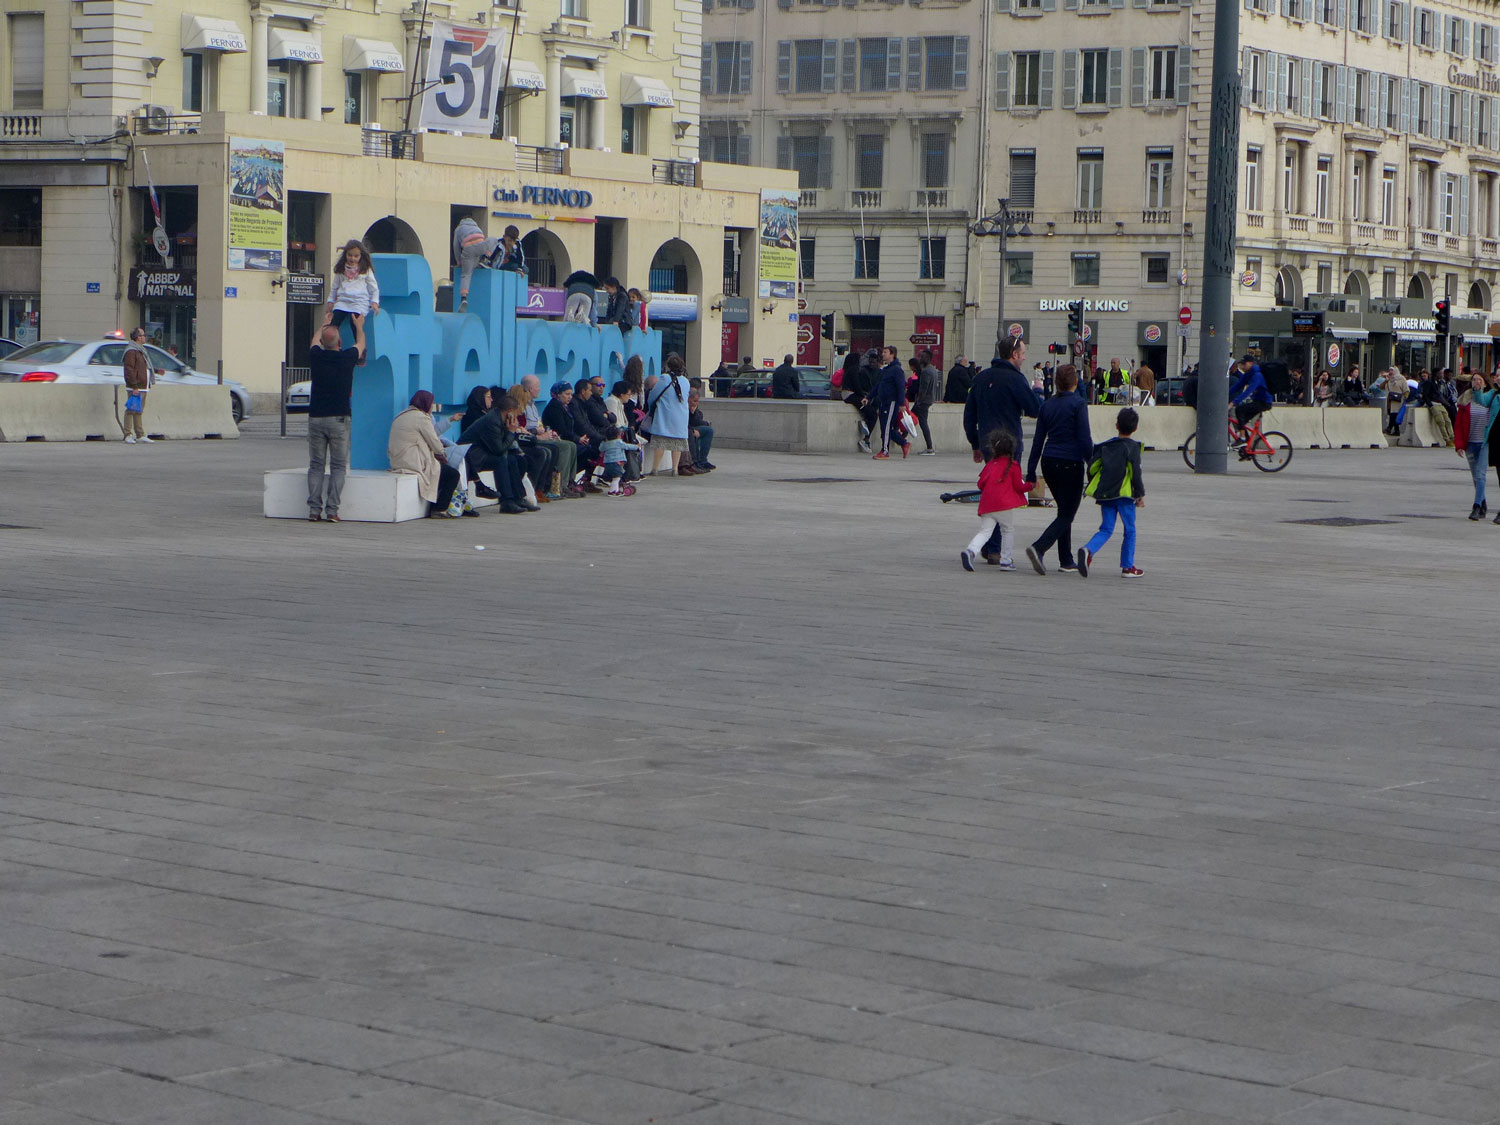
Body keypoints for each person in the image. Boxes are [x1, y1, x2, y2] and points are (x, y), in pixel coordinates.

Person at [1023, 364, 1092, 576]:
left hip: (1049, 461)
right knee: (1068, 513)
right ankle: (1039, 547)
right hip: (1071, 462)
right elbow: (1084, 438)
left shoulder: (1047, 405)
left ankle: (1066, 559)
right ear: (1075, 383)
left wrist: (1032, 469)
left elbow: (1037, 440)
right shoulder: (1079, 404)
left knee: (1063, 509)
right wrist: (1093, 465)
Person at [306, 314, 364, 522]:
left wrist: (322, 325)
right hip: (339, 418)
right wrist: (358, 326)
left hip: (316, 418)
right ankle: (332, 510)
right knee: (338, 466)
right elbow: (361, 343)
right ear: (340, 342)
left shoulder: (316, 356)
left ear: (322, 343)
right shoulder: (347, 357)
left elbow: (314, 342)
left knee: (316, 465)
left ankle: (314, 510)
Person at [1077, 407, 1146, 579]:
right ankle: (1127, 567)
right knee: (1130, 530)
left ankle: (1088, 549)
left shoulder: (1106, 446)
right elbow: (1135, 473)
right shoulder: (1133, 448)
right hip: (1124, 496)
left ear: (1116, 425)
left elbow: (1092, 467)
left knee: (1106, 529)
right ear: (1135, 428)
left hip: (1106, 494)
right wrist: (1139, 495)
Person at [960, 429, 1034, 572]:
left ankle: (970, 551)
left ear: (994, 449)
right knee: (1007, 530)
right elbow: (1019, 487)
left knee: (985, 532)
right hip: (1004, 505)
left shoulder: (990, 465)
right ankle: (1006, 560)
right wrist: (1030, 486)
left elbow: (980, 484)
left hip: (987, 504)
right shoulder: (1013, 466)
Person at [390, 390, 468, 518]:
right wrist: (442, 454)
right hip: (414, 462)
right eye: (431, 404)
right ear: (426, 403)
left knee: (441, 471)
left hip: (398, 461)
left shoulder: (401, 415)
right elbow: (435, 442)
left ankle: (435, 505)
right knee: (452, 474)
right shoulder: (421, 418)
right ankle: (439, 508)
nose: (432, 407)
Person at [541, 380, 597, 494]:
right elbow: (562, 429)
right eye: (567, 394)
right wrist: (578, 439)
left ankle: (571, 480)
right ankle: (563, 483)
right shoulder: (554, 407)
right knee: (575, 448)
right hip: (557, 438)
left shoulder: (565, 406)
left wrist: (580, 437)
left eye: (571, 394)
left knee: (591, 450)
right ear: (558, 394)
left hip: (568, 437)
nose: (569, 397)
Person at [1456, 373, 1499, 519]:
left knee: (1480, 475)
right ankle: (1482, 503)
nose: (1476, 382)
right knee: (1476, 477)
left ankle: (1477, 506)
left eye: (1479, 380)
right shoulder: (1468, 399)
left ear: (1485, 382)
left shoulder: (1493, 397)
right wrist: (1459, 444)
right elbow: (1460, 424)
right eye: (1474, 380)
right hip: (1471, 442)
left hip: (1485, 442)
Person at [644, 356, 692, 476]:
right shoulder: (686, 381)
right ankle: (674, 469)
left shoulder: (664, 378)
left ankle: (655, 469)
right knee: (677, 443)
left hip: (665, 415)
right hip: (681, 416)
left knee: (661, 441)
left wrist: (650, 407)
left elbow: (654, 395)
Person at [322, 240, 380, 332]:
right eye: (350, 255)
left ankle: (359, 345)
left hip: (359, 303)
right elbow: (335, 287)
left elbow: (374, 288)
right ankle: (333, 344)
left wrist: (374, 302)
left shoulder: (365, 270)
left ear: (361, 256)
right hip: (343, 302)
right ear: (345, 254)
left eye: (356, 256)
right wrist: (330, 301)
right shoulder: (341, 269)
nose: (352, 258)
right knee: (333, 324)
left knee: (354, 324)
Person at [872, 345, 911, 459]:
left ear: (892, 354)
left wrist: (901, 404)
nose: (883, 354)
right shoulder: (886, 369)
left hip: (891, 402)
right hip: (884, 401)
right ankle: (904, 443)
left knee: (887, 426)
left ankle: (885, 451)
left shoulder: (897, 370)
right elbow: (878, 385)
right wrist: (869, 397)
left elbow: (900, 387)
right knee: (885, 427)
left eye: (885, 352)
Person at [1229, 354, 1273, 452]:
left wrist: (1233, 403)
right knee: (1242, 420)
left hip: (1264, 402)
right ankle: (1247, 447)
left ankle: (1243, 439)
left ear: (1251, 363)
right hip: (1257, 400)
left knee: (1240, 410)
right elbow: (1238, 386)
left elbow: (1248, 391)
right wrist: (1224, 395)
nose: (1242, 367)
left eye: (1244, 364)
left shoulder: (1257, 375)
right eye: (1242, 364)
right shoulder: (1248, 374)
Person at [122, 327, 154, 444]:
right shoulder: (131, 351)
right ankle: (127, 434)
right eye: (143, 335)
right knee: (131, 410)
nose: (144, 337)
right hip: (135, 386)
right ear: (137, 337)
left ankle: (140, 434)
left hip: (143, 385)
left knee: (139, 410)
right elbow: (129, 370)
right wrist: (134, 386)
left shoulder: (141, 350)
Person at [840, 349, 874, 451]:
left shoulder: (847, 369)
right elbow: (856, 385)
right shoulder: (854, 369)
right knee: (872, 413)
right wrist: (863, 396)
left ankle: (864, 422)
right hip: (851, 394)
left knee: (867, 409)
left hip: (846, 394)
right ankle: (865, 439)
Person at [913, 351, 941, 454]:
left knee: (914, 420)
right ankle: (902, 438)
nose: (919, 359)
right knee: (913, 419)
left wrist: (919, 401)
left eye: (921, 357)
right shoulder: (933, 370)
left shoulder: (926, 372)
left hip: (923, 401)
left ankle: (929, 447)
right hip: (928, 400)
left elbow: (923, 388)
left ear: (927, 358)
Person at [1418, 369, 1455, 446]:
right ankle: (1447, 439)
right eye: (1440, 373)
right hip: (1434, 403)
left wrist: (1446, 403)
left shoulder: (1438, 383)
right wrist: (1430, 405)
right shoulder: (1428, 382)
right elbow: (1425, 394)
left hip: (1440, 403)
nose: (1442, 375)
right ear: (1436, 374)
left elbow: (1440, 395)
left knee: (1448, 421)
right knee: (1441, 422)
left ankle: (1452, 437)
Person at [688, 387, 716, 471]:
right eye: (694, 401)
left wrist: (694, 412)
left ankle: (703, 460)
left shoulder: (695, 409)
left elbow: (698, 419)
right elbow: (692, 422)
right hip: (687, 428)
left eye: (697, 401)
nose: (696, 403)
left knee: (708, 430)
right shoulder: (684, 408)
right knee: (707, 430)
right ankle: (698, 461)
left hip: (691, 426)